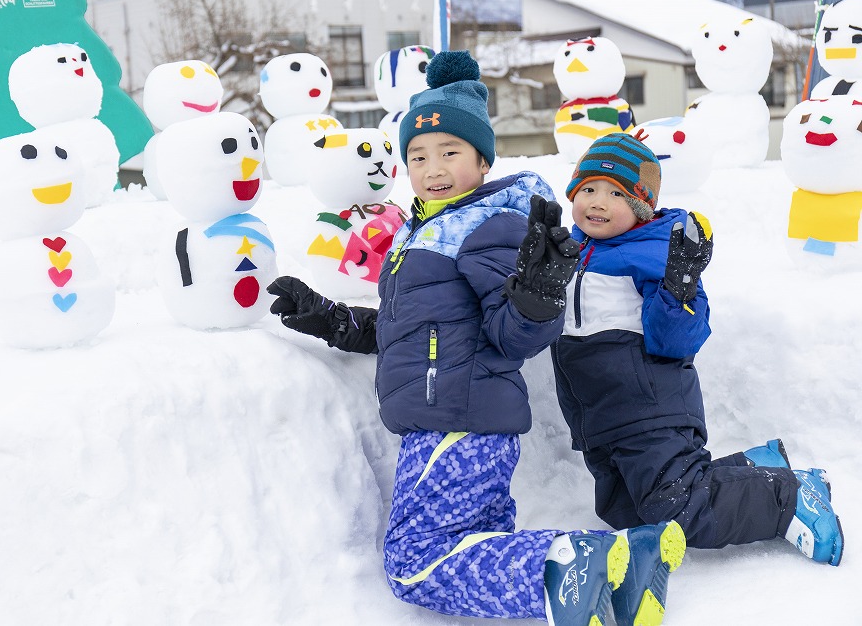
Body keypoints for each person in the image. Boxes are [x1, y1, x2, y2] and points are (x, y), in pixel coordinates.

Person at [267, 51, 687, 626]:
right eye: (418, 155)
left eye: (449, 152)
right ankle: (627, 573)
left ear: (482, 160)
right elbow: (410, 328)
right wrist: (334, 321)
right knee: (478, 543)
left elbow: (514, 335)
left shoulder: (484, 224)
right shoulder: (426, 229)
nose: (432, 166)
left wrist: (537, 295)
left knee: (413, 562)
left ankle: (575, 562)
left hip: (453, 422)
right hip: (461, 416)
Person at [551, 132, 844, 570]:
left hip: (648, 412)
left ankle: (789, 498)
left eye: (615, 193)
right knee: (625, 514)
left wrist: (678, 289)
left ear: (640, 206)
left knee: (678, 509)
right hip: (598, 422)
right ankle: (752, 466)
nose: (596, 201)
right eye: (587, 189)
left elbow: (678, 340)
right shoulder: (572, 253)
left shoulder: (659, 255)